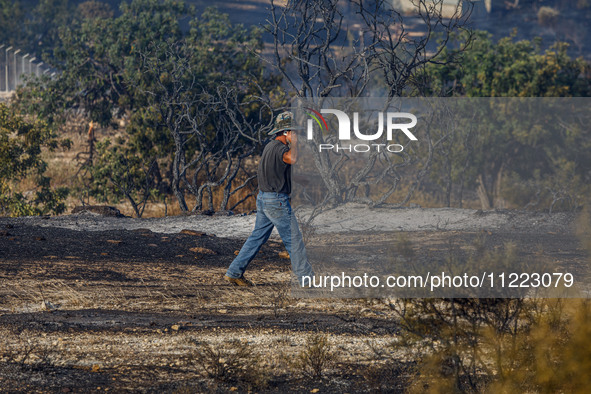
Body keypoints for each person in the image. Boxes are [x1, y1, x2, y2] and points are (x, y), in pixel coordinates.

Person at [224, 111, 314, 286]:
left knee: (257, 238)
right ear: (286, 132)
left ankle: (234, 272)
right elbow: (292, 158)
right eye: (293, 132)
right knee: (294, 240)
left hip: (264, 198)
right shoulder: (282, 149)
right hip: (276, 202)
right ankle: (306, 280)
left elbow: (277, 172)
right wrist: (294, 144)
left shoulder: (269, 147)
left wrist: (301, 180)